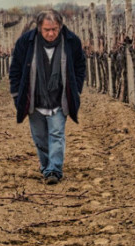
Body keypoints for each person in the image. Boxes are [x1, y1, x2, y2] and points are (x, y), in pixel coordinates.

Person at [9, 9, 86, 185]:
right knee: (40, 138)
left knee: (57, 134)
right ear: (39, 28)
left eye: (55, 29)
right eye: (47, 30)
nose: (51, 33)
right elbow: (15, 70)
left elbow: (80, 65)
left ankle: (54, 170)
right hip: (34, 99)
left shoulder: (72, 42)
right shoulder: (25, 43)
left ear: (60, 27)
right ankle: (46, 166)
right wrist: (16, 95)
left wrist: (76, 90)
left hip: (60, 99)